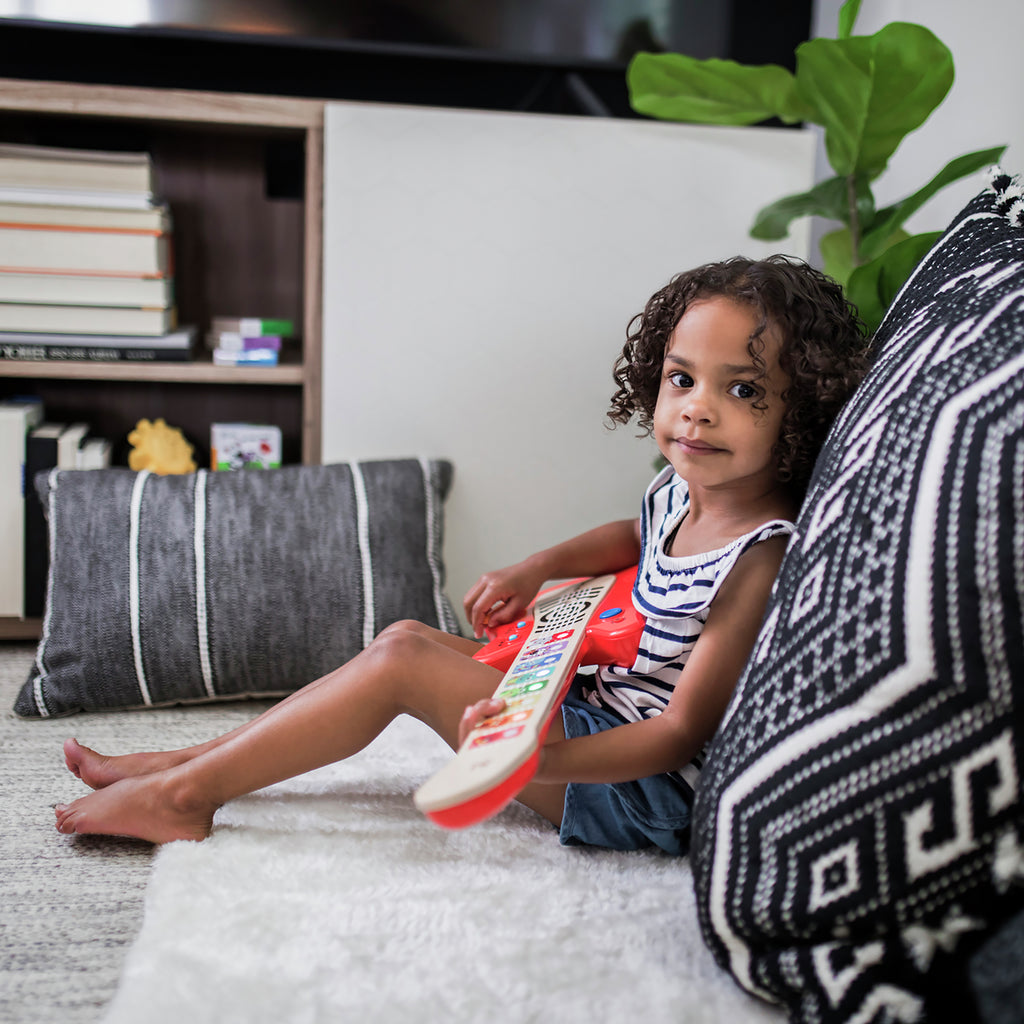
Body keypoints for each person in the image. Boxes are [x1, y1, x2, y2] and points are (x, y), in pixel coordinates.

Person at [55, 255, 869, 852]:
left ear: (803, 412)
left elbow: (679, 734)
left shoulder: (757, 558)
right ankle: (186, 760)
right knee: (402, 641)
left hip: (632, 788)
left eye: (744, 390)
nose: (696, 413)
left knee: (407, 662)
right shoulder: (683, 488)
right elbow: (632, 536)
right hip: (582, 708)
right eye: (681, 379)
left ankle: (187, 797)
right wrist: (533, 569)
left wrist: (541, 754)